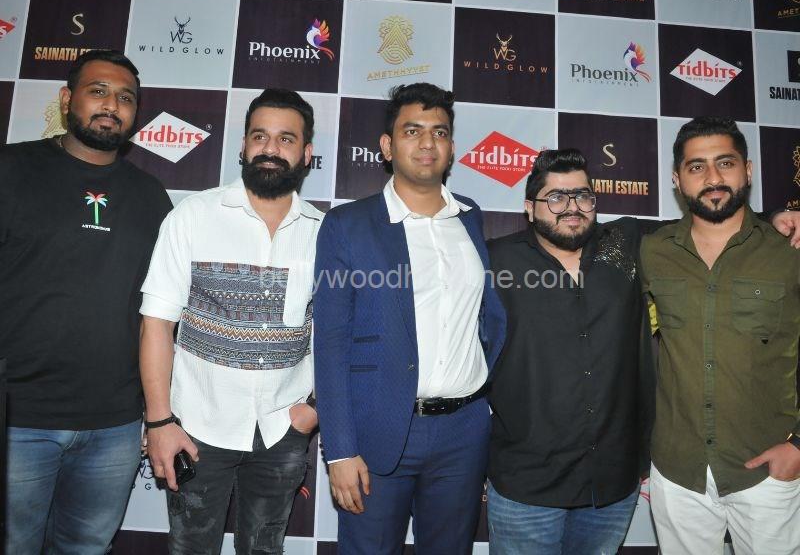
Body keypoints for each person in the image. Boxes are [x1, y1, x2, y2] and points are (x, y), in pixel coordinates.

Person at [313, 82, 506, 554]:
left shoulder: (469, 218)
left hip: (464, 431)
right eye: (412, 131)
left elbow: (484, 319)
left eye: (439, 132)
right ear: (387, 145)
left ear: (452, 147)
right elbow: (331, 344)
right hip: (377, 430)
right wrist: (339, 449)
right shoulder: (347, 225)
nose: (427, 143)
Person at [0, 49, 172, 554]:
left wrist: (155, 413)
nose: (111, 106)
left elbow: (160, 315)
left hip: (114, 424)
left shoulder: (152, 197)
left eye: (125, 98)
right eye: (98, 91)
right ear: (65, 99)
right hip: (18, 420)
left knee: (86, 548)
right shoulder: (11, 169)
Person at [140, 88, 321, 555]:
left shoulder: (324, 233)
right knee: (191, 549)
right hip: (196, 425)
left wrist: (312, 410)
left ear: (306, 154)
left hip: (283, 429)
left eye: (286, 139)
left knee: (264, 550)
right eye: (260, 136)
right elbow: (156, 323)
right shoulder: (193, 216)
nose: (270, 148)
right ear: (243, 146)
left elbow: (334, 335)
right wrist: (160, 421)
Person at [641, 116, 800, 554]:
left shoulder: (788, 252)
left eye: (725, 163)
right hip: (678, 472)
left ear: (747, 170)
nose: (713, 178)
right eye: (697, 167)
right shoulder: (651, 250)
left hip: (767, 470)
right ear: (677, 180)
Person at [486, 149, 654, 555]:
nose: (572, 207)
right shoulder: (494, 260)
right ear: (529, 208)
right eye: (556, 198)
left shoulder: (625, 245)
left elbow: (707, 226)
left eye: (582, 196)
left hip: (611, 484)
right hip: (527, 485)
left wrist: (776, 217)